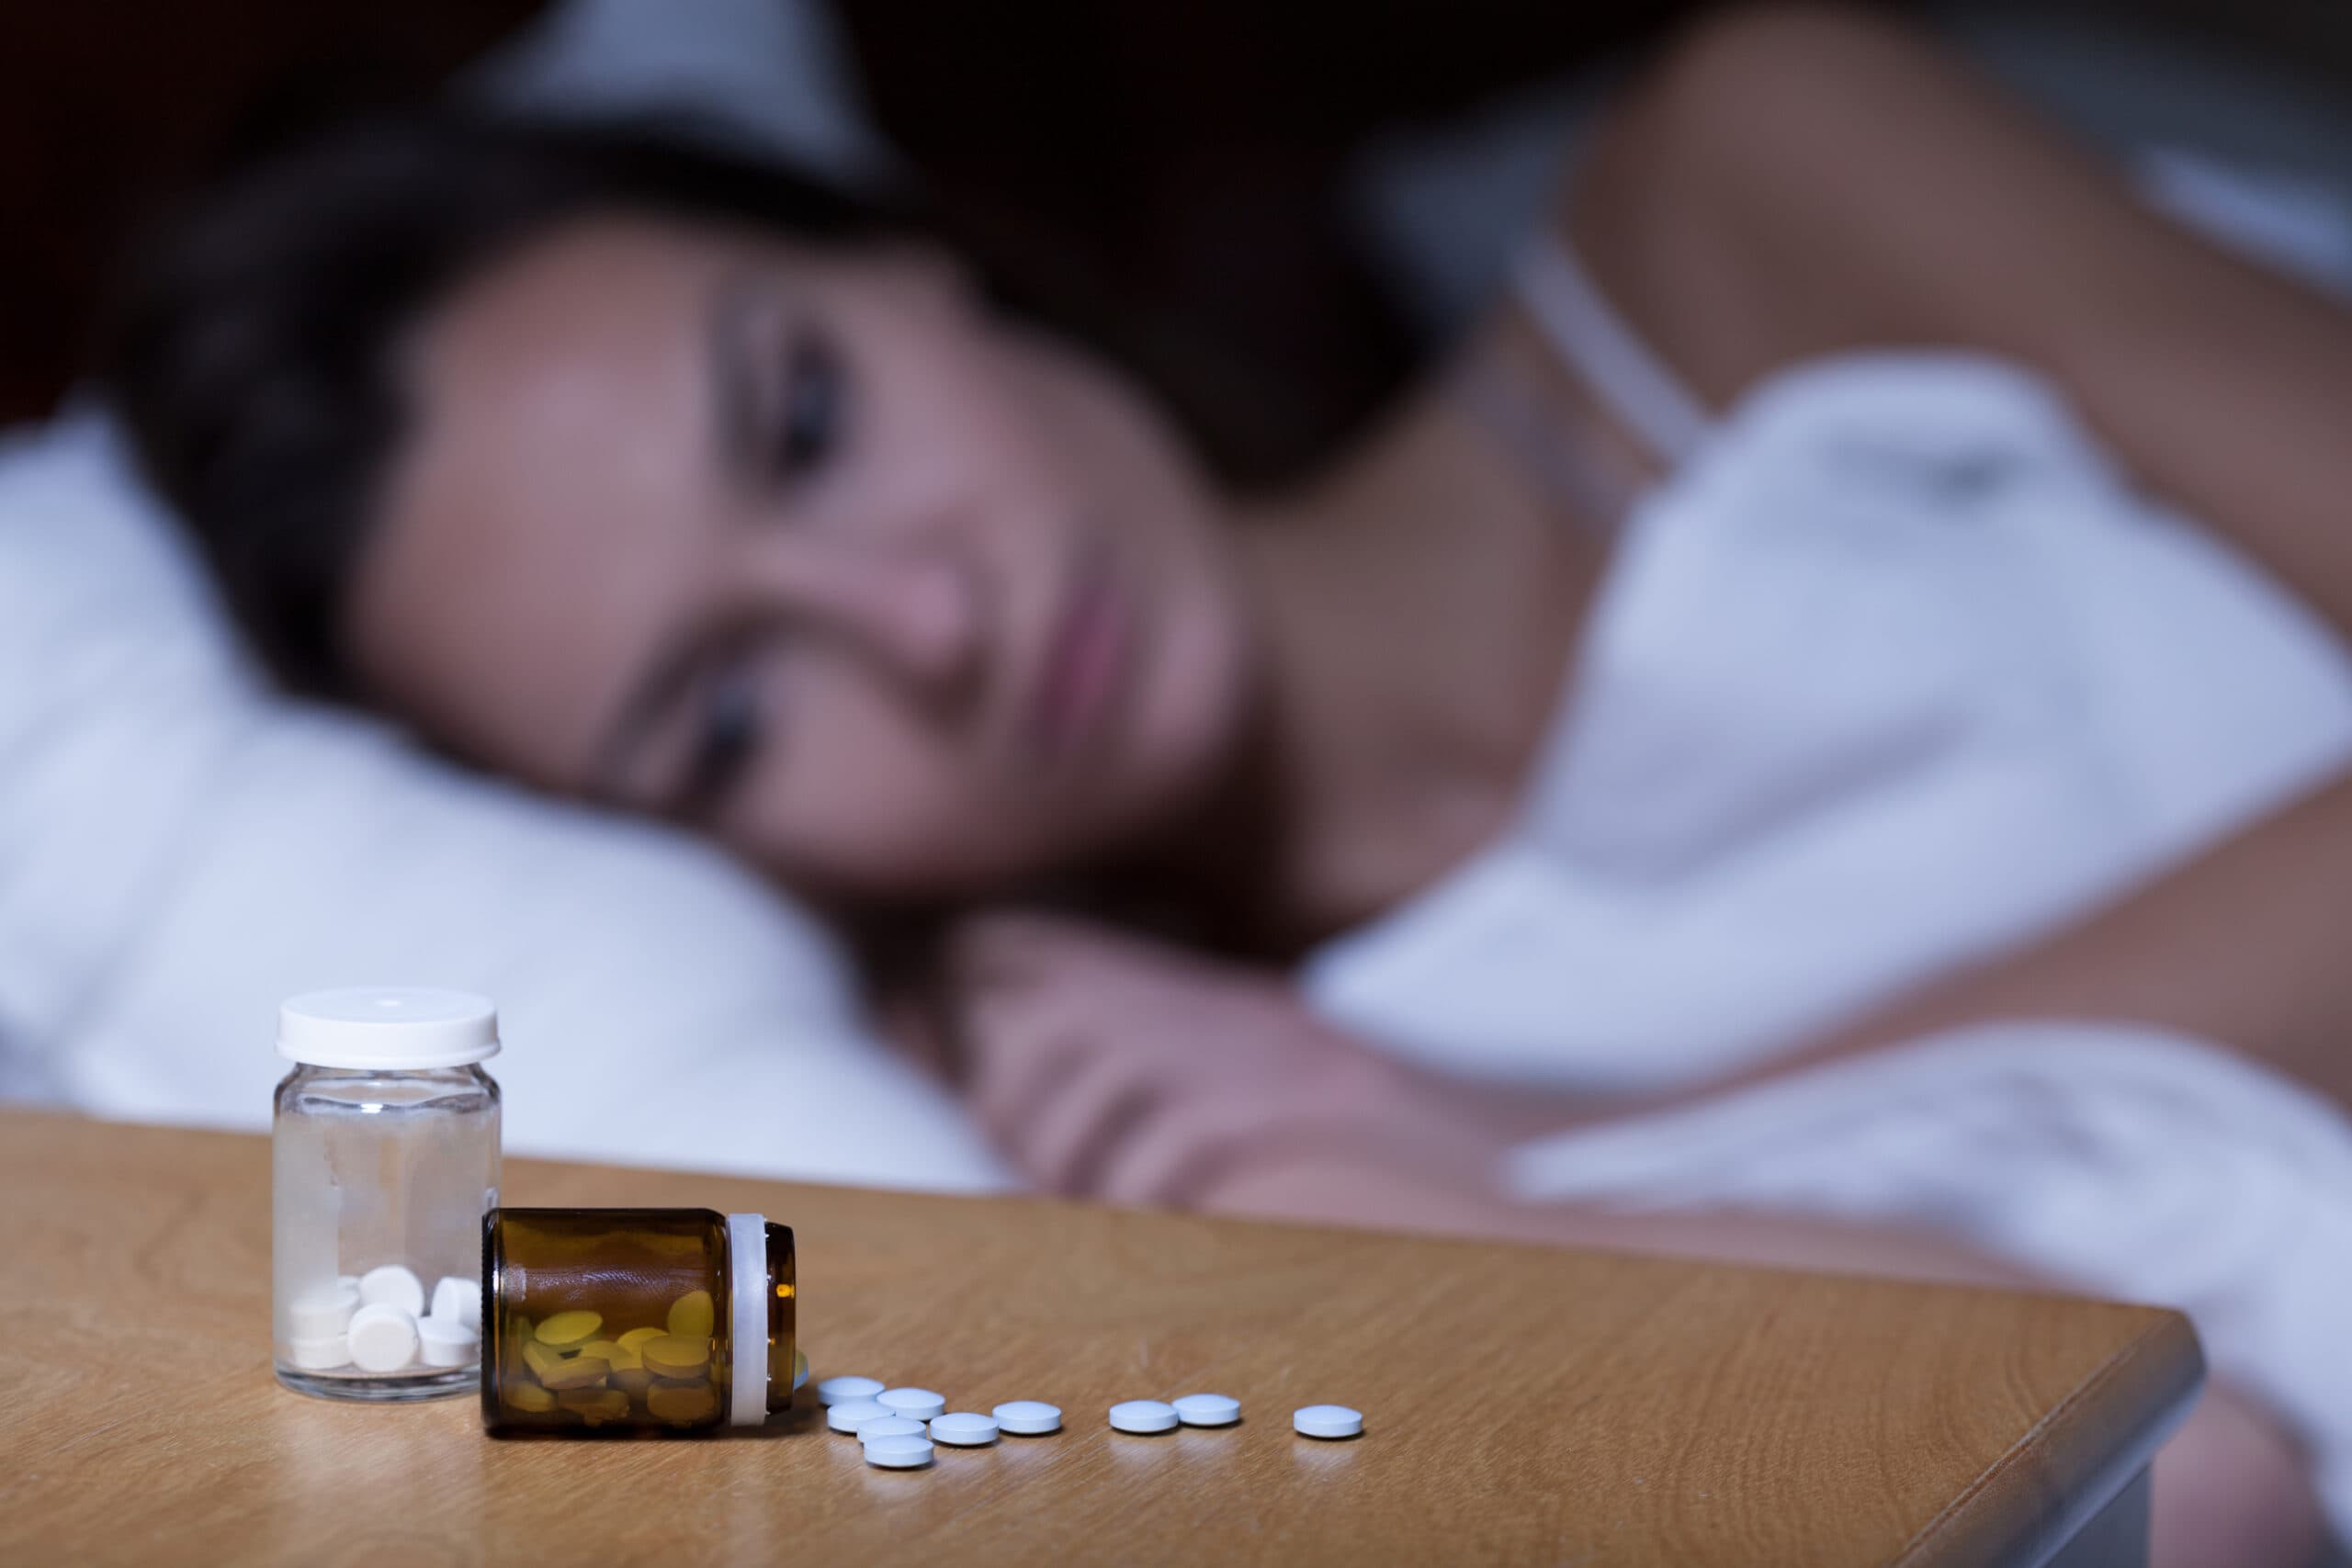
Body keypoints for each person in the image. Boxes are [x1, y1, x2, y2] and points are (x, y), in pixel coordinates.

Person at [107, 6, 2345, 1559]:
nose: (923, 620)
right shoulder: (1138, 1126)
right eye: (726, 713)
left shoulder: (1744, 188)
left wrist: (1550, 1155)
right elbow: (572, 1340)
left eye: (801, 418)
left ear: (913, 268)